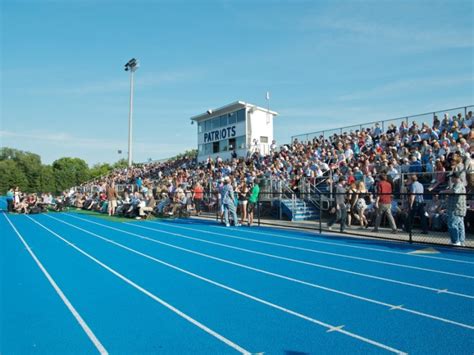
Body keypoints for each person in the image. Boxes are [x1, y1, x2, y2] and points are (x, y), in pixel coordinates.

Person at [441, 172, 467, 246]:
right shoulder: (455, 185)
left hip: (456, 209)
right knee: (459, 225)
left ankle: (456, 241)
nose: (451, 179)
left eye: (452, 177)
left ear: (456, 178)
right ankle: (461, 241)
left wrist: (443, 191)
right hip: (455, 208)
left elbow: (455, 191)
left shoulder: (459, 184)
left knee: (452, 224)